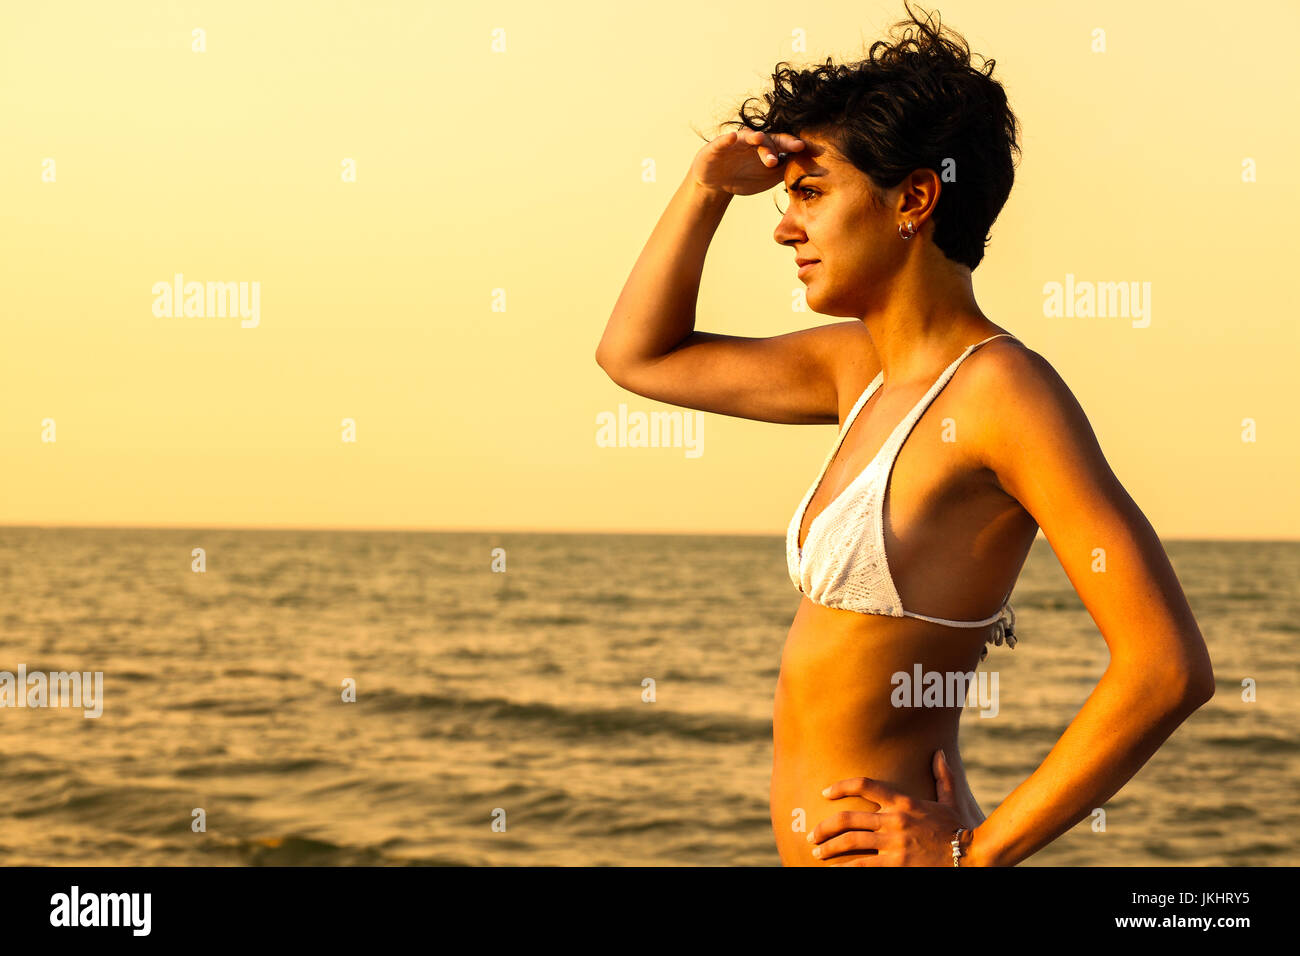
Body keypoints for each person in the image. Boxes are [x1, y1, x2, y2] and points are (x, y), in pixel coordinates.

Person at [594, 1, 1213, 865]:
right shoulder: (859, 370)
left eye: (810, 193)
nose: (782, 225)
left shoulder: (1003, 392)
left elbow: (1166, 666)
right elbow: (637, 357)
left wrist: (977, 853)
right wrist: (704, 190)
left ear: (915, 198)